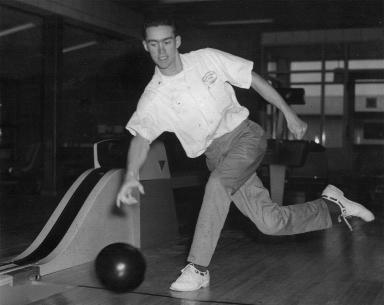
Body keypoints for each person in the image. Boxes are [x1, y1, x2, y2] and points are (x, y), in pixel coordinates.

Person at [116, 16, 375, 292]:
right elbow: (141, 138)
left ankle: (198, 268)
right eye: (154, 44)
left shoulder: (207, 59)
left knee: (217, 184)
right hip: (215, 156)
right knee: (270, 223)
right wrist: (131, 175)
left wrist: (288, 113)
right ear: (146, 47)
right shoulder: (153, 97)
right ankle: (334, 205)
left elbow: (253, 80)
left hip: (245, 136)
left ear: (177, 41)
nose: (162, 51)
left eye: (167, 42)